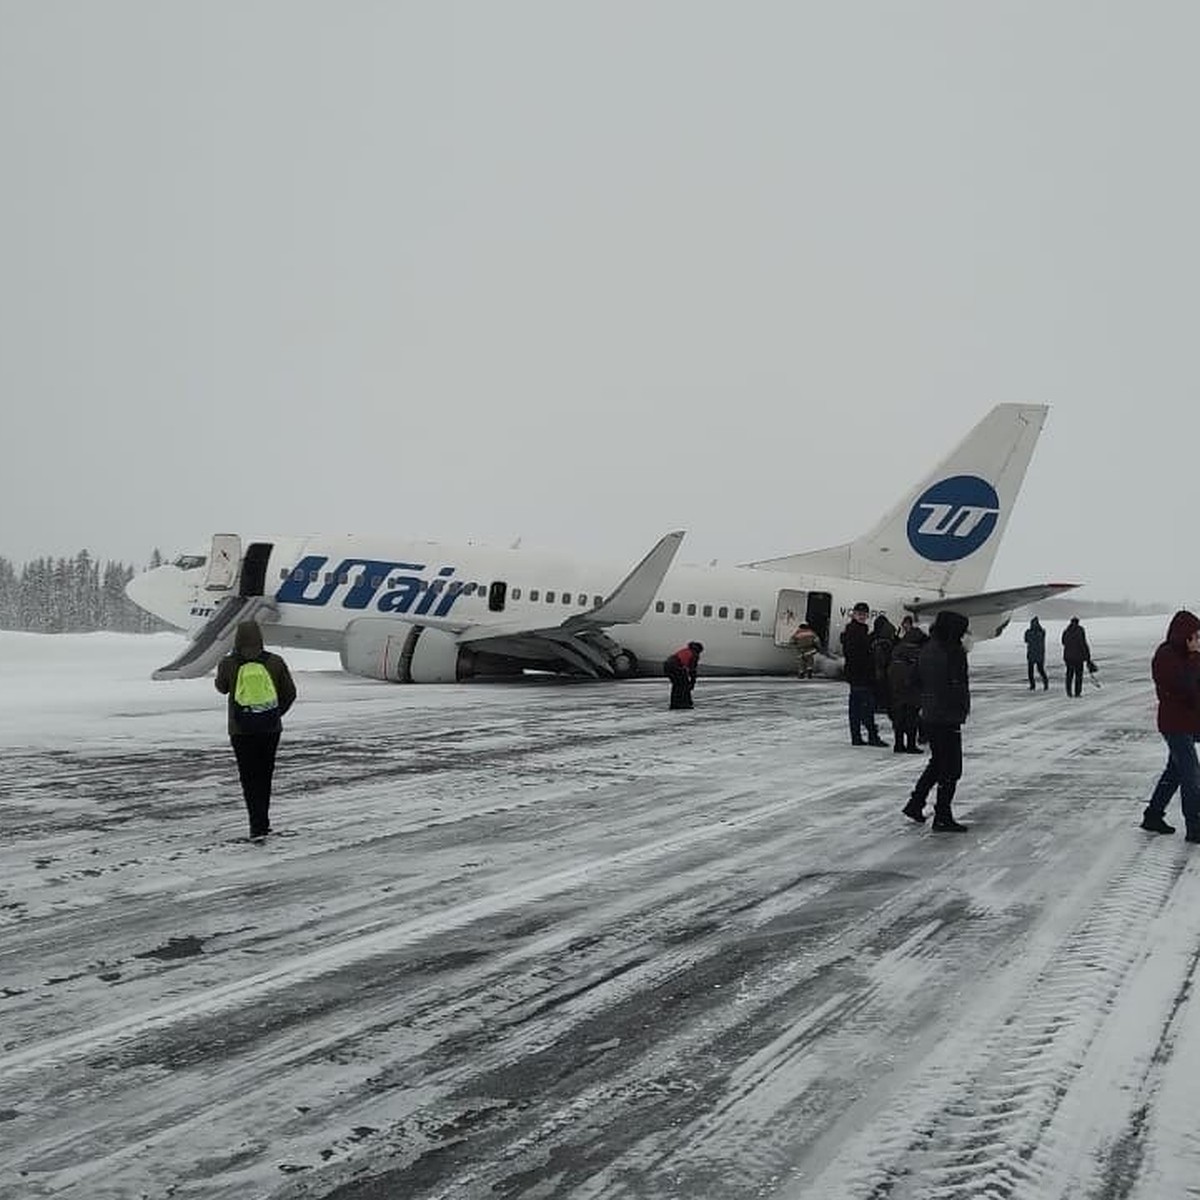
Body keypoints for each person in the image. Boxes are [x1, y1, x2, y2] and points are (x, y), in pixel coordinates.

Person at [215, 620, 297, 841]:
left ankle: (256, 823)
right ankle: (264, 821)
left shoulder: (229, 663)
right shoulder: (275, 662)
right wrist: (273, 714)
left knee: (249, 777)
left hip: (241, 729)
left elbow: (221, 688)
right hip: (270, 730)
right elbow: (290, 693)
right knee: (265, 774)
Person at [902, 610, 971, 831]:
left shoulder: (928, 649)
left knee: (938, 763)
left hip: (932, 714)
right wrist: (958, 706)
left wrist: (927, 700)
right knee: (951, 768)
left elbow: (913, 680)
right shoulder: (952, 652)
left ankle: (916, 803)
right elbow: (956, 685)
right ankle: (942, 814)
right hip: (946, 716)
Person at [1140, 610, 1200, 839]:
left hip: (1188, 722)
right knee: (1191, 774)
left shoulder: (1189, 656)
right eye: (1195, 635)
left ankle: (1153, 815)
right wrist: (1194, 658)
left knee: (1175, 772)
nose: (1197, 640)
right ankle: (1195, 827)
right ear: (1184, 635)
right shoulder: (1166, 656)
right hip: (1174, 724)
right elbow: (1182, 687)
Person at [841, 602, 886, 746]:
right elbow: (860, 653)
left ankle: (857, 736)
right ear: (854, 614)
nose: (862, 616)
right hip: (861, 675)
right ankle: (871, 736)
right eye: (859, 614)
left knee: (856, 707)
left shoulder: (855, 630)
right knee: (866, 706)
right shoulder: (857, 631)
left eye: (864, 614)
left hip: (855, 675)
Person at [888, 619, 928, 753]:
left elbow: (891, 670)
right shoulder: (917, 653)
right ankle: (911, 744)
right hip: (912, 690)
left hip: (897, 689)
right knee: (912, 718)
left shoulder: (898, 650)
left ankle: (898, 744)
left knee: (899, 717)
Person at [664, 641, 703, 710]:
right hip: (676, 666)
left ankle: (675, 704)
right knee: (684, 685)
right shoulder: (694, 654)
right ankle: (685, 704)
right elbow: (692, 670)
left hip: (667, 666)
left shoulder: (686, 650)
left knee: (677, 685)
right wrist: (692, 682)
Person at [1061, 616, 1093, 697]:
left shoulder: (1066, 631)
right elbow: (1083, 644)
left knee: (1069, 675)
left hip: (1068, 657)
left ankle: (1069, 692)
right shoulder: (1080, 630)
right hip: (1078, 657)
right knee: (1078, 676)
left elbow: (1063, 642)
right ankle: (1077, 693)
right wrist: (1087, 657)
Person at [1024, 616, 1049, 690]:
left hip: (1037, 654)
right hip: (1034, 654)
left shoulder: (1038, 632)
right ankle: (1033, 685)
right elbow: (1026, 640)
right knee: (1032, 672)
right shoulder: (1039, 632)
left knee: (1040, 670)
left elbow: (1027, 640)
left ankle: (1044, 684)